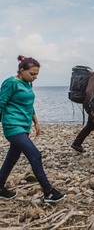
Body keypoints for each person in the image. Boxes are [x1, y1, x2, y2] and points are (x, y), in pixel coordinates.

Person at [0, 55, 65, 202]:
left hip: (24, 125)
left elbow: (29, 104)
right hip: (12, 126)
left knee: (12, 158)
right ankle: (48, 192)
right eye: (32, 74)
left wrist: (36, 122)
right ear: (22, 70)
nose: (35, 77)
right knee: (35, 155)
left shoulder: (28, 84)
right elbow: (1, 103)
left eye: (37, 74)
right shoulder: (11, 83)